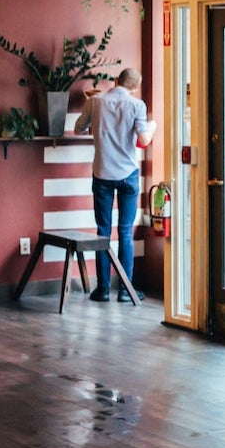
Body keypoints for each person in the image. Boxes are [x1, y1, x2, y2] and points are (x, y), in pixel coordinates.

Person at [76, 66, 156, 301]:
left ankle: (102, 289)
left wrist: (96, 126)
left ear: (116, 81)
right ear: (135, 88)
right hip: (128, 174)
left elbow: (78, 128)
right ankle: (125, 290)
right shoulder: (137, 105)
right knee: (125, 232)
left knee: (103, 231)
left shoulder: (95, 102)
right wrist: (153, 126)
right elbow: (143, 139)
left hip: (102, 173)